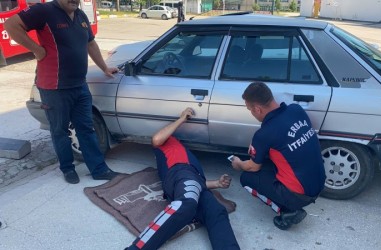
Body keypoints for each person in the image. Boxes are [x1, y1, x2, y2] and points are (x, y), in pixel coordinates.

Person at [4, 0, 121, 184]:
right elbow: (11, 24)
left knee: (86, 128)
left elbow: (91, 44)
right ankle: (67, 169)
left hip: (80, 85)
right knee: (60, 131)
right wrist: (36, 50)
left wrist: (105, 67)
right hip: (54, 87)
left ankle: (99, 169)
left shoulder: (81, 15)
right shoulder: (44, 10)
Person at [126, 107, 240, 250]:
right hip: (180, 173)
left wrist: (217, 183)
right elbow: (156, 139)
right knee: (187, 202)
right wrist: (181, 119)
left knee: (216, 210)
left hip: (194, 181)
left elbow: (195, 184)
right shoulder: (166, 142)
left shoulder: (181, 148)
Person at [230, 82, 326, 230]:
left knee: (246, 178)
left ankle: (289, 212)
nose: (251, 113)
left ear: (257, 109)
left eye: (250, 109)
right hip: (319, 183)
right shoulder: (296, 109)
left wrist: (238, 164)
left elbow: (253, 167)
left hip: (299, 195)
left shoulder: (265, 134)